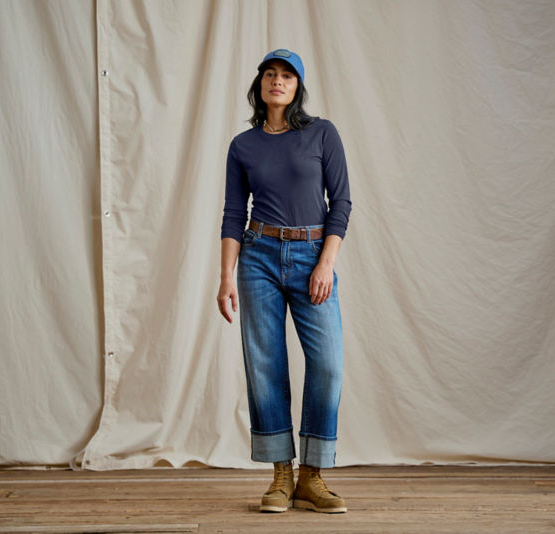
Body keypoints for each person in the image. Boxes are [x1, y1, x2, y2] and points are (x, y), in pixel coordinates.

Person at [217, 48, 352, 514]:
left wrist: (326, 263)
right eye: (270, 74)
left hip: (313, 254)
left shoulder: (321, 134)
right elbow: (234, 214)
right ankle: (280, 474)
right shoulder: (243, 145)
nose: (278, 81)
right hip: (259, 257)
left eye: (287, 75)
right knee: (265, 365)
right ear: (260, 85)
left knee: (329, 362)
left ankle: (312, 477)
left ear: (298, 87)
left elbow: (343, 203)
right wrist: (226, 276)